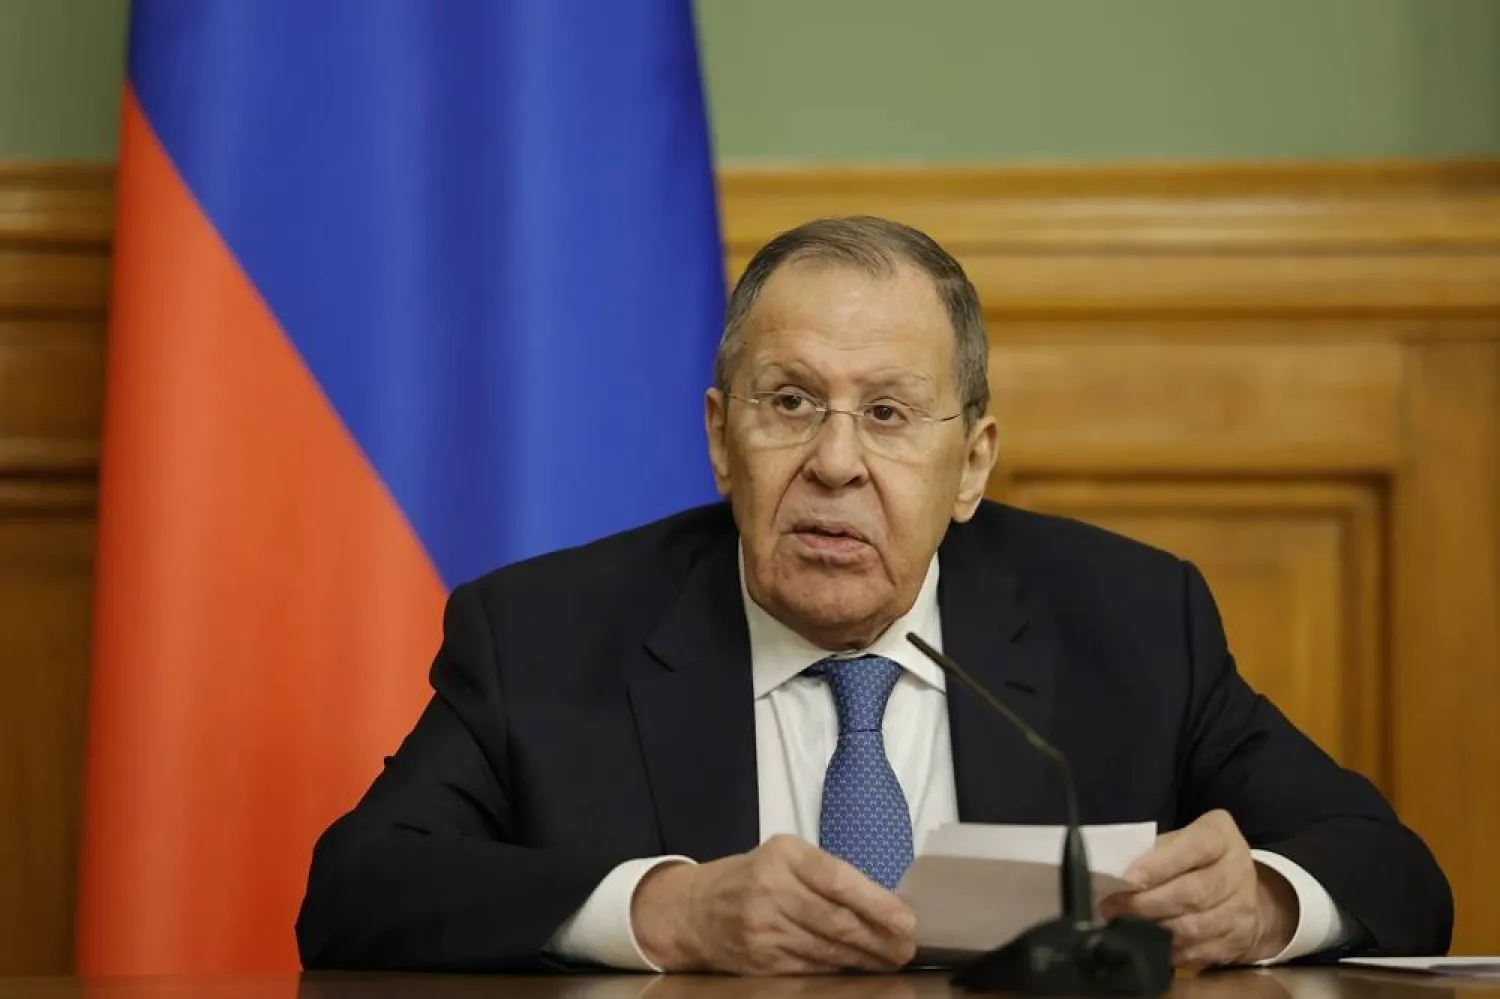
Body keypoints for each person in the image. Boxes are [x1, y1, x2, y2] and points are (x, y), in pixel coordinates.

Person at [296, 217, 1452, 975]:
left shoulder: (1133, 622)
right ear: (719, 439)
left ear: (976, 464)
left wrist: (1259, 900)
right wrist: (665, 914)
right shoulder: (545, 636)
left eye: (890, 414)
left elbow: (1392, 868)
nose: (837, 463)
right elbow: (356, 889)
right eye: (790, 403)